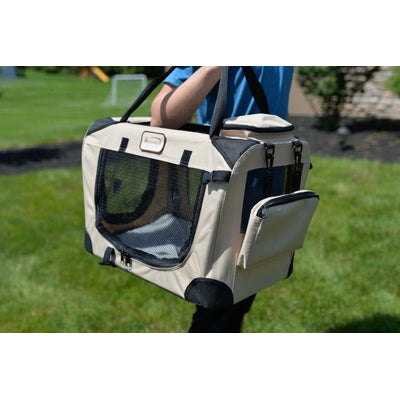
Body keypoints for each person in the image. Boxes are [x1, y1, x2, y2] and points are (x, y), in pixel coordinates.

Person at [150, 66, 294, 332]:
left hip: (268, 181)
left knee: (237, 297)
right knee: (219, 304)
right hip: (225, 189)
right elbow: (161, 119)